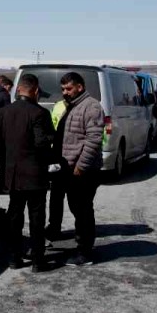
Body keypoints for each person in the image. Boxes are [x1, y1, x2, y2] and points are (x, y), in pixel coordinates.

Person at [0, 73, 56, 273]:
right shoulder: (39, 113)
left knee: (14, 218)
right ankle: (37, 260)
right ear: (34, 91)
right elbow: (41, 142)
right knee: (36, 218)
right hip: (34, 175)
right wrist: (51, 140)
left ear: (18, 90)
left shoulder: (5, 112)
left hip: (13, 174)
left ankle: (14, 258)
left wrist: (6, 152)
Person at [57, 71, 105, 266]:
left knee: (83, 210)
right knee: (77, 208)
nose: (65, 93)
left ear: (79, 87)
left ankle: (84, 252)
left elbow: (93, 140)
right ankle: (82, 246)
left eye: (68, 88)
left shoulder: (91, 107)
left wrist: (81, 167)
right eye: (63, 89)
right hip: (70, 169)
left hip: (83, 171)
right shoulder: (73, 106)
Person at [45, 91, 70, 240]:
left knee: (74, 199)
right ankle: (54, 226)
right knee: (56, 196)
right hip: (59, 156)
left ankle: (82, 231)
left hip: (69, 157)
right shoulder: (60, 106)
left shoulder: (85, 108)